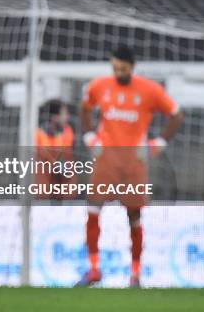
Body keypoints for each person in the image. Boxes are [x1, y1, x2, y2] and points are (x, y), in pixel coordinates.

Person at [76, 46, 183, 288]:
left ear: (132, 68)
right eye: (114, 68)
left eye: (122, 69)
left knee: (134, 216)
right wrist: (89, 136)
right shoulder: (99, 86)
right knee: (93, 210)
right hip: (106, 160)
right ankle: (94, 270)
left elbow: (176, 114)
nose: (118, 73)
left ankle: (135, 275)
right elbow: (84, 108)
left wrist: (158, 143)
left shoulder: (149, 90)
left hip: (133, 164)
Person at [34, 99, 76, 200]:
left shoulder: (67, 131)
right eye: (64, 114)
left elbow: (65, 154)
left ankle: (67, 199)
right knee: (41, 164)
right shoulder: (38, 134)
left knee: (67, 163)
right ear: (54, 117)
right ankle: (42, 200)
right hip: (46, 180)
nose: (67, 117)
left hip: (62, 177)